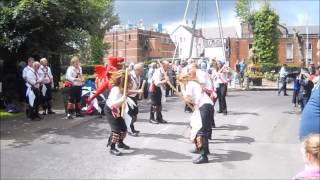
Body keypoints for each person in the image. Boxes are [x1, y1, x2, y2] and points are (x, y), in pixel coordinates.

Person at [179, 74, 214, 164]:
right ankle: (200, 149)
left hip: (204, 107)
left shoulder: (190, 84)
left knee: (200, 131)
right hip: (204, 107)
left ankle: (204, 155)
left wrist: (182, 90)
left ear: (183, 80)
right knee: (194, 127)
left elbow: (188, 99)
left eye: (180, 82)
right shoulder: (193, 84)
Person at [105, 70, 130, 156]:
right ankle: (112, 148)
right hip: (110, 110)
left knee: (124, 128)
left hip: (117, 109)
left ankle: (120, 143)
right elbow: (113, 104)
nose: (129, 82)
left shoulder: (122, 88)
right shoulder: (116, 89)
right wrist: (122, 99)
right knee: (116, 130)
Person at [127, 63, 144, 136]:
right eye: (141, 71)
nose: (142, 72)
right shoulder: (129, 76)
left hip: (134, 97)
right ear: (136, 70)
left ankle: (131, 128)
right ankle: (130, 130)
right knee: (130, 115)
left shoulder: (138, 76)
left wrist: (138, 93)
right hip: (128, 98)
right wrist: (137, 91)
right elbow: (125, 91)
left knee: (135, 115)